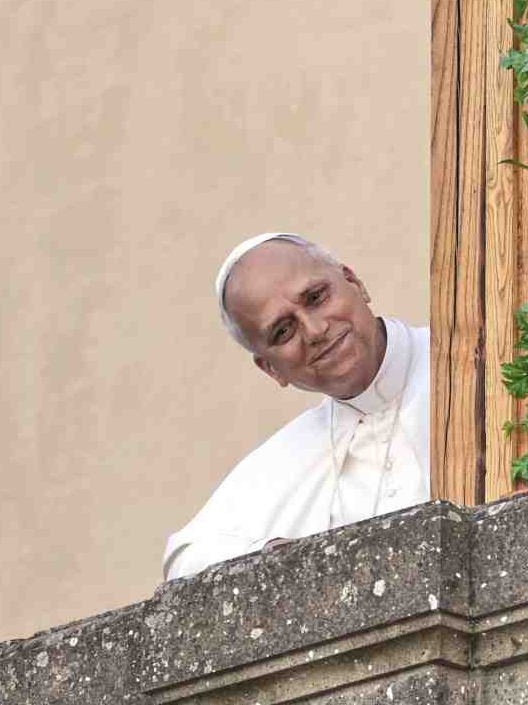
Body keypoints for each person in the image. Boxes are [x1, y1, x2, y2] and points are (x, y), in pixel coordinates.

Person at [162, 234, 431, 581]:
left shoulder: (477, 354)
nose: (316, 330)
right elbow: (186, 559)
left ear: (354, 282)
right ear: (271, 369)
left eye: (317, 298)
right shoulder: (284, 457)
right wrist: (275, 556)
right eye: (283, 331)